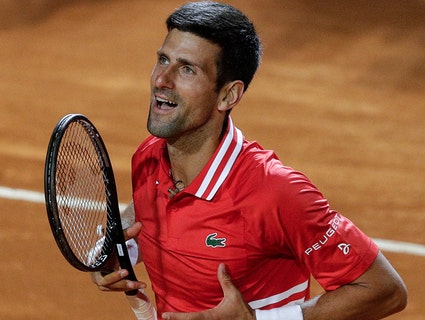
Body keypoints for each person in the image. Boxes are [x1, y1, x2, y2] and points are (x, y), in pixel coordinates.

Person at [91, 1, 408, 319]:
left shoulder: (277, 192)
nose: (162, 79)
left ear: (228, 95)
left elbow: (384, 290)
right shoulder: (149, 155)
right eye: (163, 59)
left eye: (187, 69)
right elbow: (150, 207)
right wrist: (122, 252)